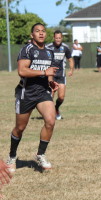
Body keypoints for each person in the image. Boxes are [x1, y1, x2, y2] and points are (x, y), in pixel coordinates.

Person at [6, 23, 59, 172]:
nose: (41, 33)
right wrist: (44, 73)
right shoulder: (27, 50)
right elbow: (22, 71)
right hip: (26, 93)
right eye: (37, 31)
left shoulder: (49, 52)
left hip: (43, 92)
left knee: (50, 120)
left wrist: (51, 82)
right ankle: (12, 156)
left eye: (43, 31)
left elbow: (49, 72)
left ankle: (41, 154)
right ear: (32, 35)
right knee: (20, 128)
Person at [46, 30, 74, 120]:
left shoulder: (65, 47)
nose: (58, 39)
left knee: (61, 97)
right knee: (50, 96)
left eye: (59, 38)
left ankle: (56, 108)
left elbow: (70, 59)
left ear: (62, 38)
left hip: (61, 75)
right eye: (56, 38)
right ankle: (49, 114)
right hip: (51, 75)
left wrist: (71, 69)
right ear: (53, 38)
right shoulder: (48, 47)